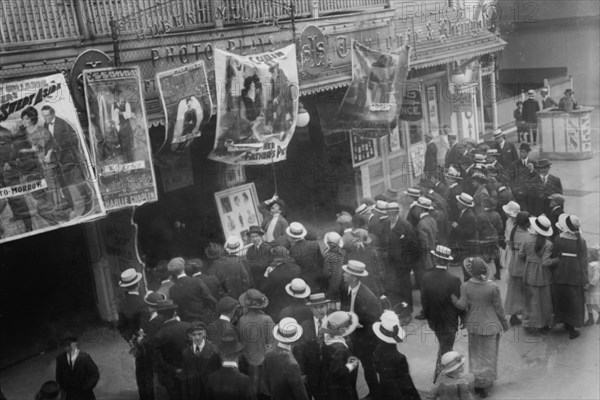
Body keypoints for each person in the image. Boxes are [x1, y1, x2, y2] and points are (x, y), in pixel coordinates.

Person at [451, 257, 509, 398]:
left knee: (476, 354)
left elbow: (462, 306)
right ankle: (487, 382)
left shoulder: (465, 286)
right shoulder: (493, 287)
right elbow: (499, 309)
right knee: (489, 354)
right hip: (491, 325)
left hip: (474, 324)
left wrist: (453, 299)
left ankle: (478, 382)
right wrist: (505, 324)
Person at [41, 105, 94, 215]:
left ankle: (89, 203)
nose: (45, 118)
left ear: (53, 113)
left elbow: (74, 140)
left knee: (78, 182)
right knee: (63, 185)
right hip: (57, 161)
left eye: (47, 115)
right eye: (43, 116)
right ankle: (71, 206)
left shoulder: (63, 124)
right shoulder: (46, 124)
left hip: (69, 158)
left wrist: (53, 150)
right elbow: (48, 140)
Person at [340, 260, 382, 399]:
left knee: (366, 366)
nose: (343, 274)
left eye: (346, 272)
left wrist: (360, 323)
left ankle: (374, 395)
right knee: (352, 366)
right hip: (351, 336)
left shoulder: (368, 296)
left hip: (364, 339)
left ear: (353, 276)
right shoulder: (346, 288)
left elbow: (375, 320)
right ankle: (353, 395)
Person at [421, 246, 462, 382]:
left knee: (443, 346)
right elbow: (458, 304)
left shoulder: (426, 277)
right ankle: (438, 381)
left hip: (434, 321)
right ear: (448, 262)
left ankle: (440, 378)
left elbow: (424, 301)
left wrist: (428, 318)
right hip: (449, 322)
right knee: (446, 351)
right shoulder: (454, 280)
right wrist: (463, 319)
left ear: (435, 259)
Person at [551, 214, 588, 339]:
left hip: (560, 273)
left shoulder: (558, 239)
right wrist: (584, 278)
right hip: (575, 275)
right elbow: (584, 261)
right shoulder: (581, 241)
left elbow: (553, 256)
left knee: (562, 298)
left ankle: (563, 321)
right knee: (574, 301)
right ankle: (572, 328)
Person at [372, 310, 420, 400]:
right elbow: (406, 383)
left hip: (384, 389)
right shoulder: (399, 358)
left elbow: (377, 368)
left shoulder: (377, 350)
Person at [519, 215, 555, 332]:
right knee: (543, 300)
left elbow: (521, 255)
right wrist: (557, 260)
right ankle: (543, 323)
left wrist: (529, 261)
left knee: (530, 300)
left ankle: (529, 323)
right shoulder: (548, 244)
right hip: (542, 275)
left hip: (528, 272)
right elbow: (545, 262)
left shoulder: (527, 239)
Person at [116, 269, 148, 399]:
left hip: (133, 342)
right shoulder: (142, 303)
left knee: (140, 368)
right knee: (148, 370)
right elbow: (146, 325)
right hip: (145, 341)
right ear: (138, 284)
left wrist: (130, 340)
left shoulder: (122, 304)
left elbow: (120, 327)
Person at [237, 289, 274, 399]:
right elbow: (272, 344)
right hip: (264, 367)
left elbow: (240, 343)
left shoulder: (242, 320)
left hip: (248, 366)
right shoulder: (267, 319)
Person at [152, 299, 193, 400]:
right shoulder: (188, 326)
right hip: (192, 373)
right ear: (175, 312)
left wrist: (175, 370)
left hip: (173, 378)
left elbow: (158, 361)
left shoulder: (159, 336)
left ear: (160, 316)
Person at [294, 293, 331, 400]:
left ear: (327, 306)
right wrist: (302, 373)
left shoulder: (335, 323)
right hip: (313, 374)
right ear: (311, 308)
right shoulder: (304, 326)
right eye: (316, 307)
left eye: (322, 306)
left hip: (331, 373)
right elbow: (299, 351)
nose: (320, 310)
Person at [263, 318, 309, 400]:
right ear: (295, 338)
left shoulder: (268, 354)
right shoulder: (292, 364)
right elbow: (300, 394)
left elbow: (266, 382)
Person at [321, 311, 360, 400]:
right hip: (341, 389)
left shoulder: (328, 340)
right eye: (345, 327)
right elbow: (337, 371)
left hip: (330, 386)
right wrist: (351, 365)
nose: (346, 329)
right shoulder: (339, 348)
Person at [504, 211, 534, 326]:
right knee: (526, 291)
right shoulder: (528, 236)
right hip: (523, 265)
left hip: (514, 263)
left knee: (513, 292)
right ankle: (526, 314)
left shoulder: (514, 230)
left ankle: (513, 315)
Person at [169, 257, 218, 324]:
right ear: (184, 267)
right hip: (205, 321)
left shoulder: (172, 289)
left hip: (187, 324)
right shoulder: (197, 281)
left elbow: (177, 310)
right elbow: (211, 300)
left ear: (173, 272)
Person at [181, 323, 221, 400]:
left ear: (204, 334)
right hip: (193, 393)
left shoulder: (215, 350)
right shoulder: (186, 353)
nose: (197, 337)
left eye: (200, 334)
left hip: (211, 393)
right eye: (194, 334)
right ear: (189, 336)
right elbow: (184, 379)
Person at [55, 333, 100, 400]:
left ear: (75, 343)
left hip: (85, 395)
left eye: (69, 344)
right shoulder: (60, 359)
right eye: (64, 345)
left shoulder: (84, 357)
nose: (67, 347)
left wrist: (86, 388)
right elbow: (59, 377)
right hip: (69, 396)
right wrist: (64, 390)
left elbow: (94, 375)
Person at [344, 228, 385, 298]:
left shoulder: (350, 252)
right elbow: (379, 271)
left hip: (356, 284)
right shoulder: (372, 252)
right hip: (372, 285)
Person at [287, 222, 325, 292]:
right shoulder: (314, 244)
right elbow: (321, 262)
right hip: (319, 276)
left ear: (291, 236)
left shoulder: (292, 250)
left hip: (304, 280)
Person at [451, 193, 479, 280]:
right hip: (465, 244)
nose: (457, 203)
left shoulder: (469, 216)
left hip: (468, 245)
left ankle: (469, 285)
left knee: (467, 267)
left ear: (464, 205)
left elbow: (468, 232)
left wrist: (457, 227)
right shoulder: (463, 212)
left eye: (459, 202)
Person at [509, 143, 537, 212]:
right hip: (519, 195)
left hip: (530, 194)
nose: (521, 154)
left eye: (523, 152)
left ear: (528, 153)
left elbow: (538, 178)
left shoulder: (534, 163)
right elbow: (511, 180)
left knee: (530, 211)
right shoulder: (514, 164)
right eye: (520, 152)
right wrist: (515, 191)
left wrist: (532, 170)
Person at [323, 231, 346, 304]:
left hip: (332, 284)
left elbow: (326, 273)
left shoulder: (328, 256)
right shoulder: (343, 253)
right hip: (342, 282)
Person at [585, 245, 600, 325]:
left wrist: (590, 285)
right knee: (588, 302)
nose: (586, 255)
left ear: (592, 255)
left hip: (593, 288)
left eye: (588, 254)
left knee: (593, 303)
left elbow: (596, 278)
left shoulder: (595, 266)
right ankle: (590, 318)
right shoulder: (589, 264)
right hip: (588, 286)